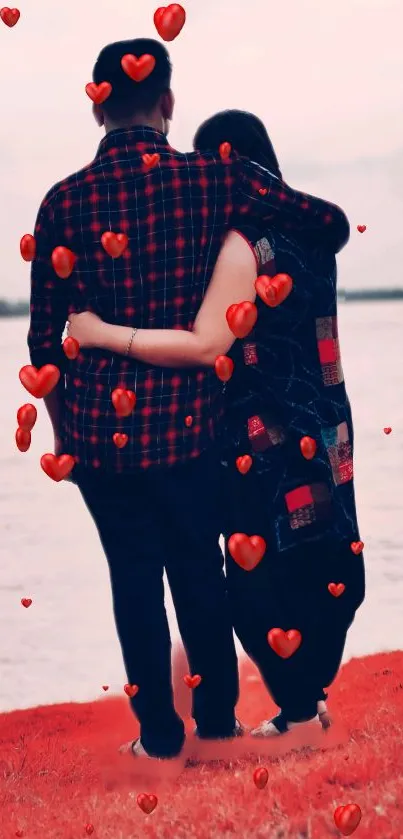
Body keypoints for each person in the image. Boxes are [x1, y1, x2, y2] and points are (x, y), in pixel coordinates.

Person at [67, 110, 365, 738]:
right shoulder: (311, 239)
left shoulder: (239, 246)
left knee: (255, 579)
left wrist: (99, 333)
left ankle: (298, 711)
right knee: (323, 558)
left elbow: (206, 345)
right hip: (325, 421)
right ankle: (306, 701)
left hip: (261, 435)